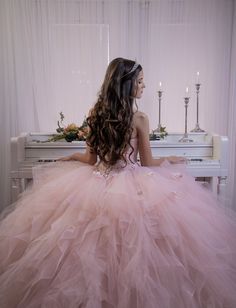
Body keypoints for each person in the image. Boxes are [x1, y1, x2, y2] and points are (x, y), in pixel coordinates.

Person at [0, 57, 236, 308]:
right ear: (127, 84)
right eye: (141, 81)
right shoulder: (140, 119)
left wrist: (73, 157)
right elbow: (147, 163)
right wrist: (170, 159)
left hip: (96, 183)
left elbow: (90, 159)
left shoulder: (95, 114)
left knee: (91, 247)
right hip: (131, 183)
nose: (144, 86)